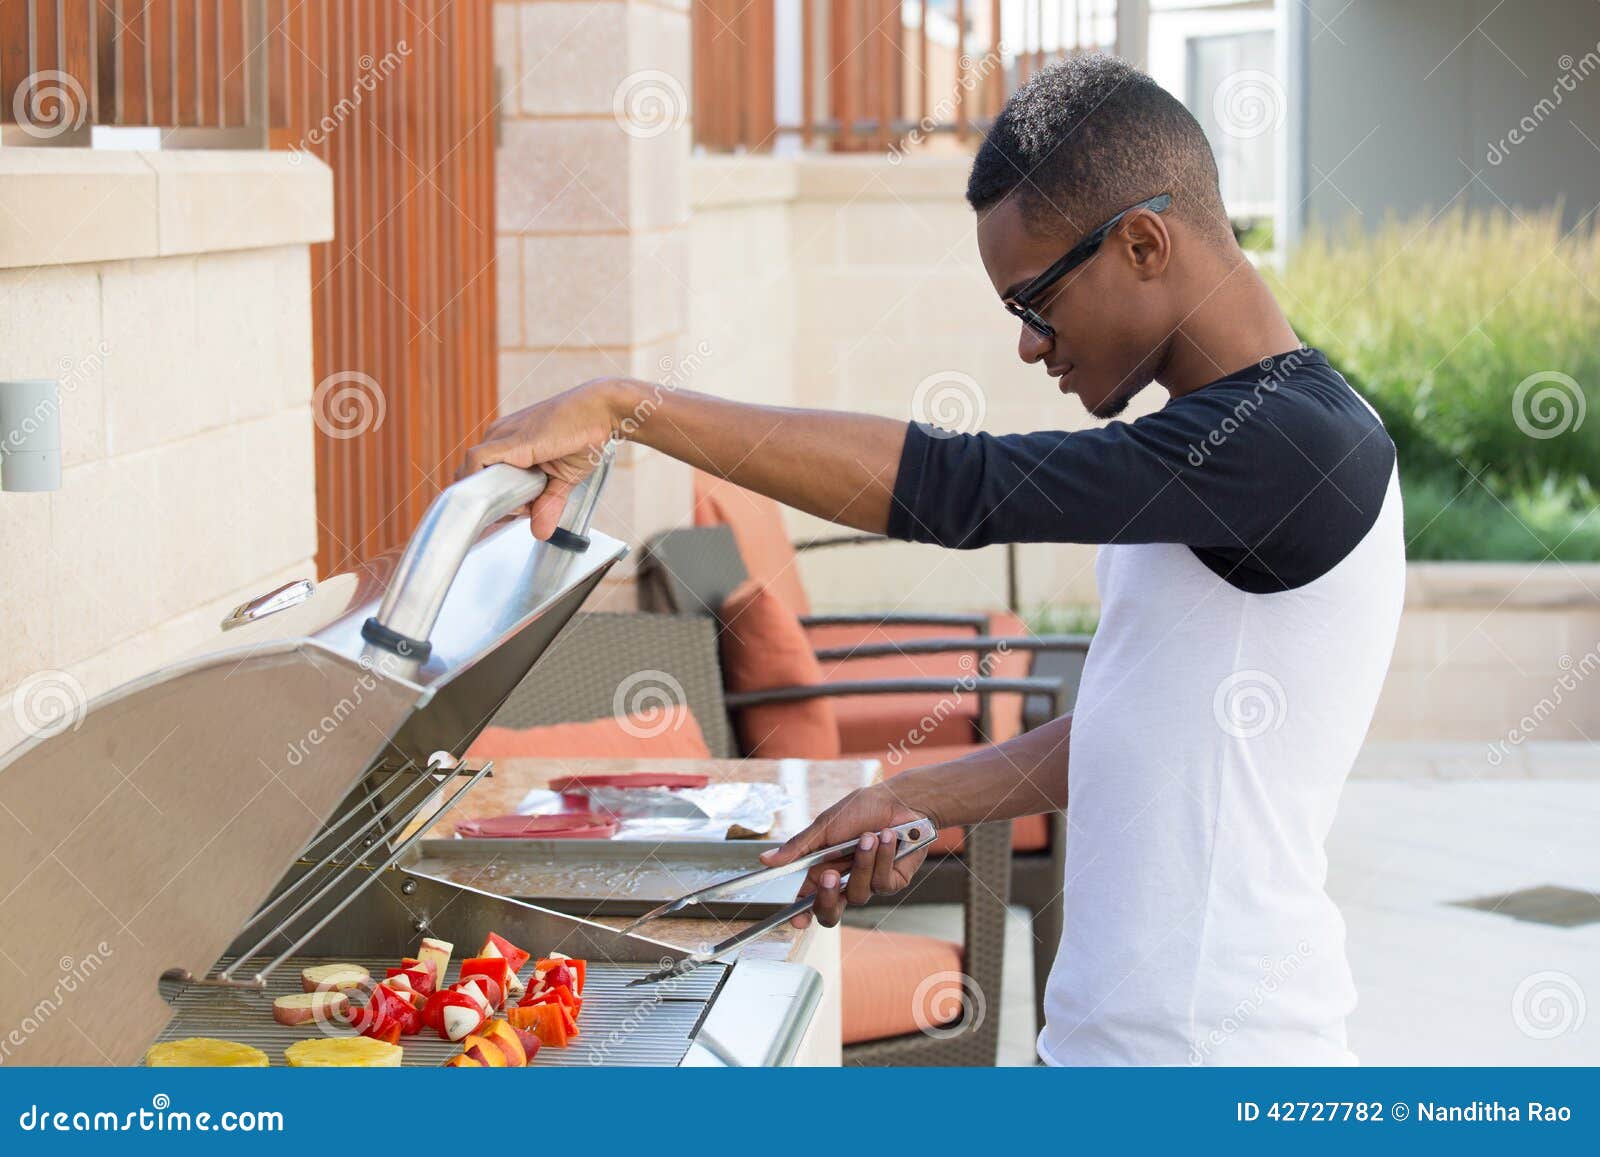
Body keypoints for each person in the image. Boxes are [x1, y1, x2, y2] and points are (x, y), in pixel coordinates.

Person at [461, 55, 1404, 1065]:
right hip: (1109, 1043)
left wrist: (628, 407)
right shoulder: (1227, 438)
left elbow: (957, 488)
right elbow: (1149, 723)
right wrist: (915, 796)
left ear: (1141, 242)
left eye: (1035, 301)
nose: (1032, 346)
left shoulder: (1288, 447)